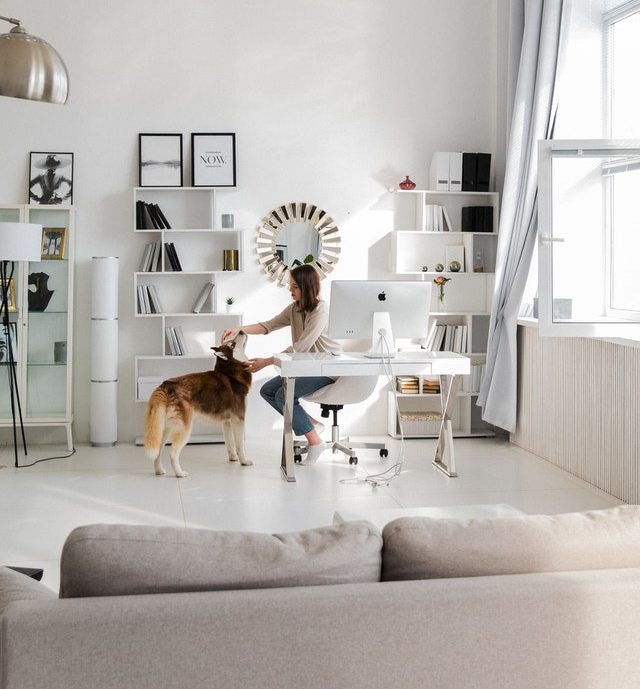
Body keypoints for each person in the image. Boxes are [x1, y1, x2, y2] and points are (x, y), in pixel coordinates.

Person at [222, 264, 340, 465]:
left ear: (306, 287)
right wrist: (238, 329)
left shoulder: (321, 311)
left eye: (294, 286)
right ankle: (310, 424)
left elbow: (301, 347)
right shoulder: (296, 308)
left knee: (283, 394)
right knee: (268, 390)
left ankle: (315, 441)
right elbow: (268, 326)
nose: (289, 290)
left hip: (327, 368)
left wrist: (266, 362)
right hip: (305, 367)